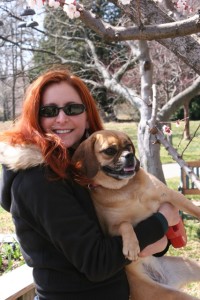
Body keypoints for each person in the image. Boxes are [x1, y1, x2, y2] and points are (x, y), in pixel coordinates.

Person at [0, 68, 180, 300]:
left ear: (87, 116)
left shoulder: (91, 167)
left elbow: (131, 228)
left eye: (73, 109)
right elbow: (97, 263)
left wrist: (157, 236)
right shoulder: (38, 181)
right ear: (36, 117)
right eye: (49, 110)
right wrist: (162, 220)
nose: (62, 118)